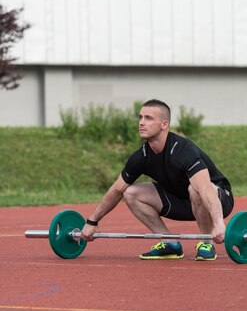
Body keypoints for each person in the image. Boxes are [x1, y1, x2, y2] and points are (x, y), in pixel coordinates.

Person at [81, 99, 234, 260]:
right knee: (130, 192)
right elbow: (116, 190)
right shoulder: (141, 157)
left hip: (217, 199)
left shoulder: (183, 151)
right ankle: (169, 243)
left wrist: (218, 223)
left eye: (148, 118)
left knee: (194, 188)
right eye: (140, 117)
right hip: (182, 203)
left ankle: (206, 241)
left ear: (164, 124)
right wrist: (92, 221)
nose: (141, 123)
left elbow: (205, 189)